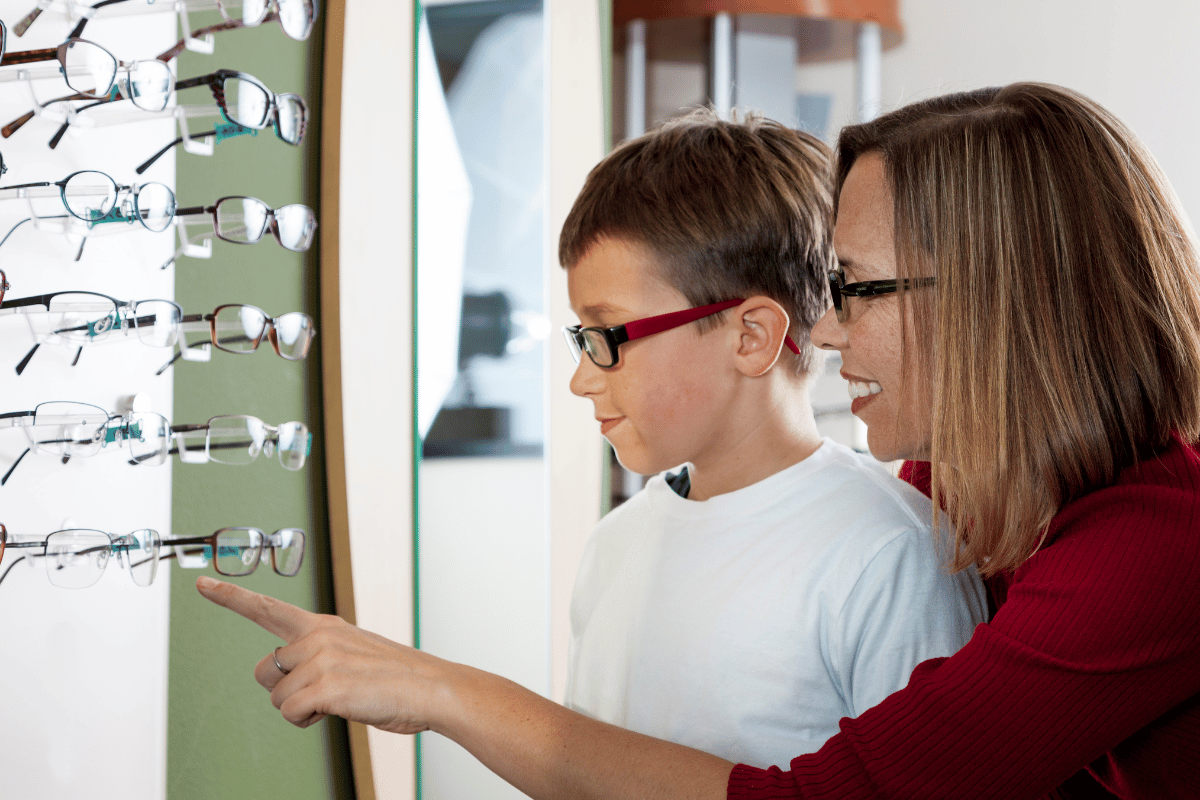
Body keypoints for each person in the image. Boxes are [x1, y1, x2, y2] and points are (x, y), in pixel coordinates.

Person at [197, 82, 1200, 799]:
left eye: (856, 288)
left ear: (997, 300)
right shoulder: (968, 493)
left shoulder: (1154, 547)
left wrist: (440, 688)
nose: (831, 327)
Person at [557, 109, 985, 767]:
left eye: (607, 338)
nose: (581, 380)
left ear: (751, 336)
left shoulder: (891, 556)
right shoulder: (613, 543)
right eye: (579, 338)